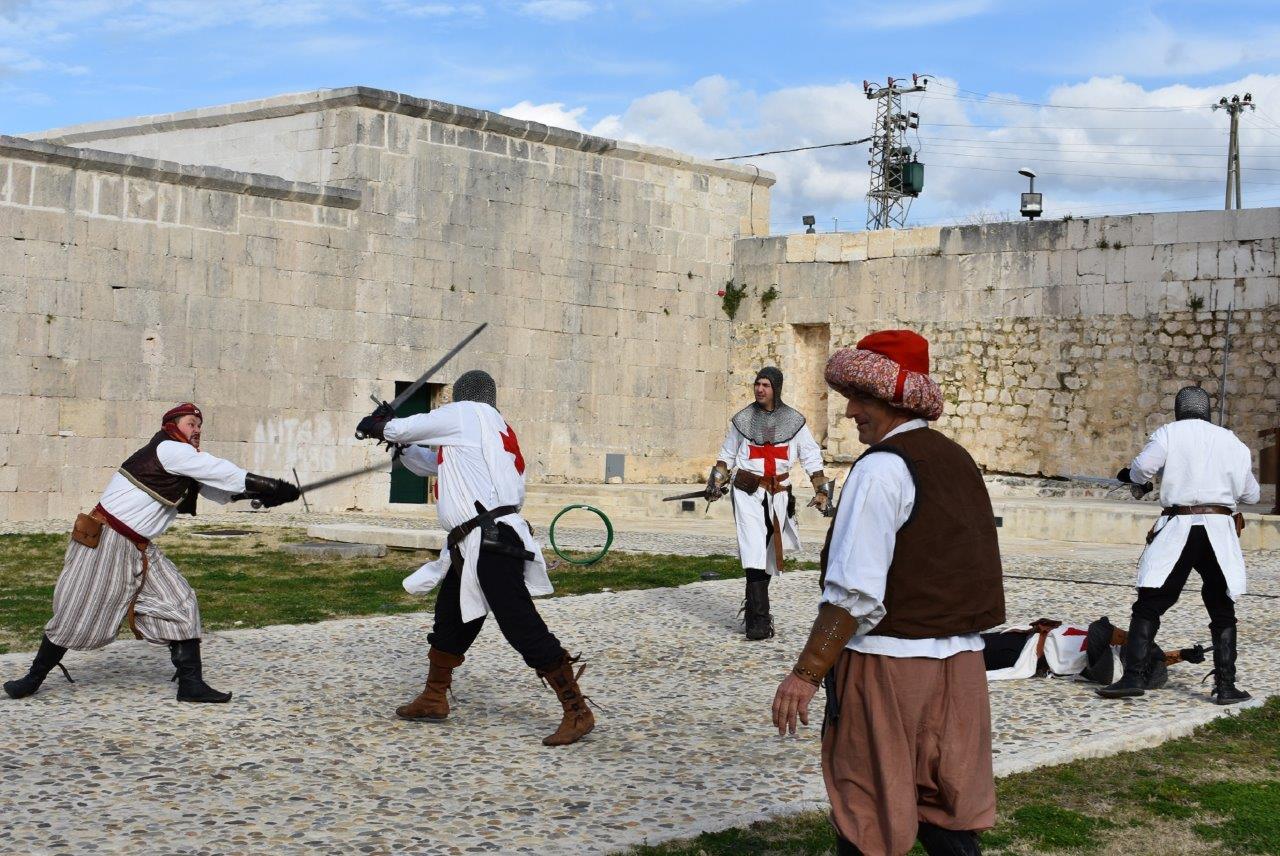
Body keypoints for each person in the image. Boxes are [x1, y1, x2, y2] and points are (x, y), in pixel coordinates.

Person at [771, 331, 1005, 856]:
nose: (851, 410)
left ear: (895, 400)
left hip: (888, 669)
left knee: (868, 809)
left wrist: (805, 673)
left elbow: (854, 592)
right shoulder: (957, 459)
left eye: (863, 397)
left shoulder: (881, 468)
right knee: (946, 810)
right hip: (960, 667)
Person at [355, 370, 594, 746]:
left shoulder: (466, 414)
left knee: (519, 623)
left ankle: (577, 710)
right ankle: (434, 698)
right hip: (475, 542)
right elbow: (431, 463)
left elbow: (409, 427)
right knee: (450, 618)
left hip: (490, 541)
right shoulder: (490, 431)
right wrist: (397, 442)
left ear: (463, 396)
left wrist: (382, 425)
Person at [3, 403, 300, 703]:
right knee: (78, 608)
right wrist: (271, 484)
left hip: (140, 547)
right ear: (172, 424)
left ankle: (190, 685)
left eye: (199, 425)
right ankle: (32, 679)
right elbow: (218, 470)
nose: (197, 429)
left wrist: (265, 495)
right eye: (190, 423)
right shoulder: (169, 449)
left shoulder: (184, 462)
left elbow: (219, 488)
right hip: (109, 541)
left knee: (180, 601)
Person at [1097, 385, 1261, 704]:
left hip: (1181, 526)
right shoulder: (1231, 440)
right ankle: (1225, 686)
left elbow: (1144, 468)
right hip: (1218, 530)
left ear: (1179, 410)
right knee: (1221, 606)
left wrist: (1134, 478)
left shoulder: (1169, 432)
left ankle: (1132, 678)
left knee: (1150, 602)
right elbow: (1251, 495)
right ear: (1207, 411)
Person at [705, 366, 829, 640]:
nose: (760, 389)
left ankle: (753, 611)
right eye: (757, 384)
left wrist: (822, 491)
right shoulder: (743, 420)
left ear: (776, 388)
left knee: (770, 554)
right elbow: (727, 455)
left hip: (779, 494)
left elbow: (810, 457)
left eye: (766, 385)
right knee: (753, 551)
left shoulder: (794, 421)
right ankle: (758, 621)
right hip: (748, 491)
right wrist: (715, 482)